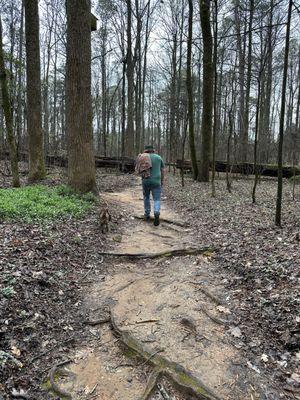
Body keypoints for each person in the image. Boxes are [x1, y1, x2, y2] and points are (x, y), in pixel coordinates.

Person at [136, 145, 165, 226]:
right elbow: (162, 170)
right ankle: (156, 212)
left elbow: (138, 169)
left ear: (146, 150)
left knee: (146, 197)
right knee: (156, 199)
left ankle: (147, 214)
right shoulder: (159, 158)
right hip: (156, 181)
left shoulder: (142, 157)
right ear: (153, 150)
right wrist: (161, 181)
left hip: (146, 181)